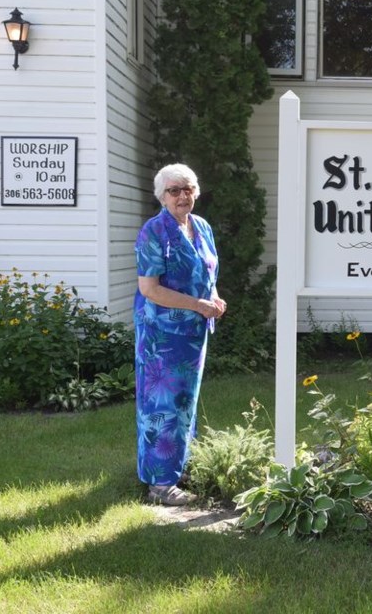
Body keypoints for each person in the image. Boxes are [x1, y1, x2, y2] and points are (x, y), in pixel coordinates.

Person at [133, 163, 226, 506]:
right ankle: (159, 485)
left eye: (188, 189)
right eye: (174, 190)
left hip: (192, 331)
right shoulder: (153, 232)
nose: (182, 196)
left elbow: (207, 270)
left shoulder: (201, 227)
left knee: (185, 401)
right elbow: (150, 289)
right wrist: (199, 304)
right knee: (162, 405)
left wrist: (212, 296)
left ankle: (179, 469)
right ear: (161, 196)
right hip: (162, 334)